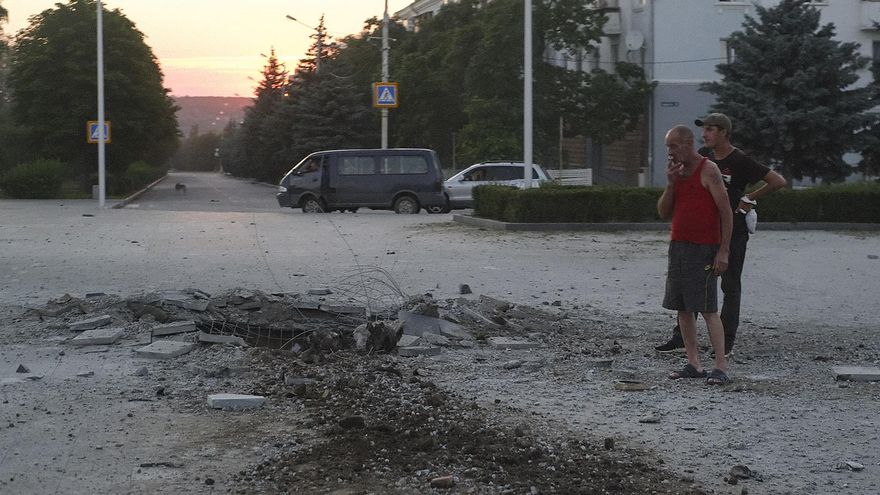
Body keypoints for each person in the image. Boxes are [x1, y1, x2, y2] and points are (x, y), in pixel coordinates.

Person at [655, 113, 787, 356]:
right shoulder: (702, 158)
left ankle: (725, 342)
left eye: (710, 129)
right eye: (703, 129)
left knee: (729, 284)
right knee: (691, 285)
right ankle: (680, 338)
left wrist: (749, 198)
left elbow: (777, 181)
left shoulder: (740, 160)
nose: (705, 134)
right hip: (704, 232)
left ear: (724, 132)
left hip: (732, 230)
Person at [658, 125, 733, 385]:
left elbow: (726, 212)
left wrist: (723, 251)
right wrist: (670, 184)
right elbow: (663, 211)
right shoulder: (676, 173)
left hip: (703, 248)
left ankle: (720, 366)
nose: (669, 151)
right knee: (683, 307)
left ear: (688, 144)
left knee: (707, 308)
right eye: (668, 146)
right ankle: (693, 363)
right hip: (678, 245)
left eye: (674, 146)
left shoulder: (708, 170)